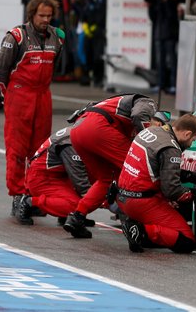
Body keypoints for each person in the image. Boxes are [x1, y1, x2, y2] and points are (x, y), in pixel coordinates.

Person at [0, 0, 64, 217]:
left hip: (43, 96)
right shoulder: (16, 36)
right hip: (19, 96)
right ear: (31, 14)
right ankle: (17, 195)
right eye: (41, 15)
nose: (45, 19)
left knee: (40, 150)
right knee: (17, 149)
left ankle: (34, 195)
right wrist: (8, 99)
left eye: (49, 16)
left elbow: (57, 66)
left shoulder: (57, 38)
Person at [63, 93, 156, 239]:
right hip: (97, 128)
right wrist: (150, 142)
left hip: (77, 130)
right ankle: (140, 219)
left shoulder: (111, 103)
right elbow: (139, 115)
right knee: (138, 168)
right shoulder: (147, 102)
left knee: (105, 179)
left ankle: (77, 216)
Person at [116, 114, 196, 253]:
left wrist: (187, 175)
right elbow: (172, 191)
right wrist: (195, 193)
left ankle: (138, 231)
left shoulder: (150, 131)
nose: (191, 144)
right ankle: (140, 229)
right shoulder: (171, 148)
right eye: (193, 139)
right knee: (187, 241)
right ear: (187, 134)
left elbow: (155, 168)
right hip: (141, 202)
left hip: (122, 197)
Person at [17, 126, 92, 226]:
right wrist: (102, 201)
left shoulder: (85, 125)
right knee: (79, 205)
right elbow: (81, 183)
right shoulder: (70, 144)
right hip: (42, 178)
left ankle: (67, 216)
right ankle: (30, 202)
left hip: (58, 174)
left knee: (94, 173)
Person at [147, 0, 183, 94]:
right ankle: (160, 85)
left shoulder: (172, 3)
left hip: (170, 36)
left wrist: (168, 1)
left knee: (172, 61)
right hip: (159, 36)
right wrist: (149, 7)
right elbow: (153, 18)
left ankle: (173, 85)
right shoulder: (158, 3)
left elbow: (172, 16)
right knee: (160, 62)